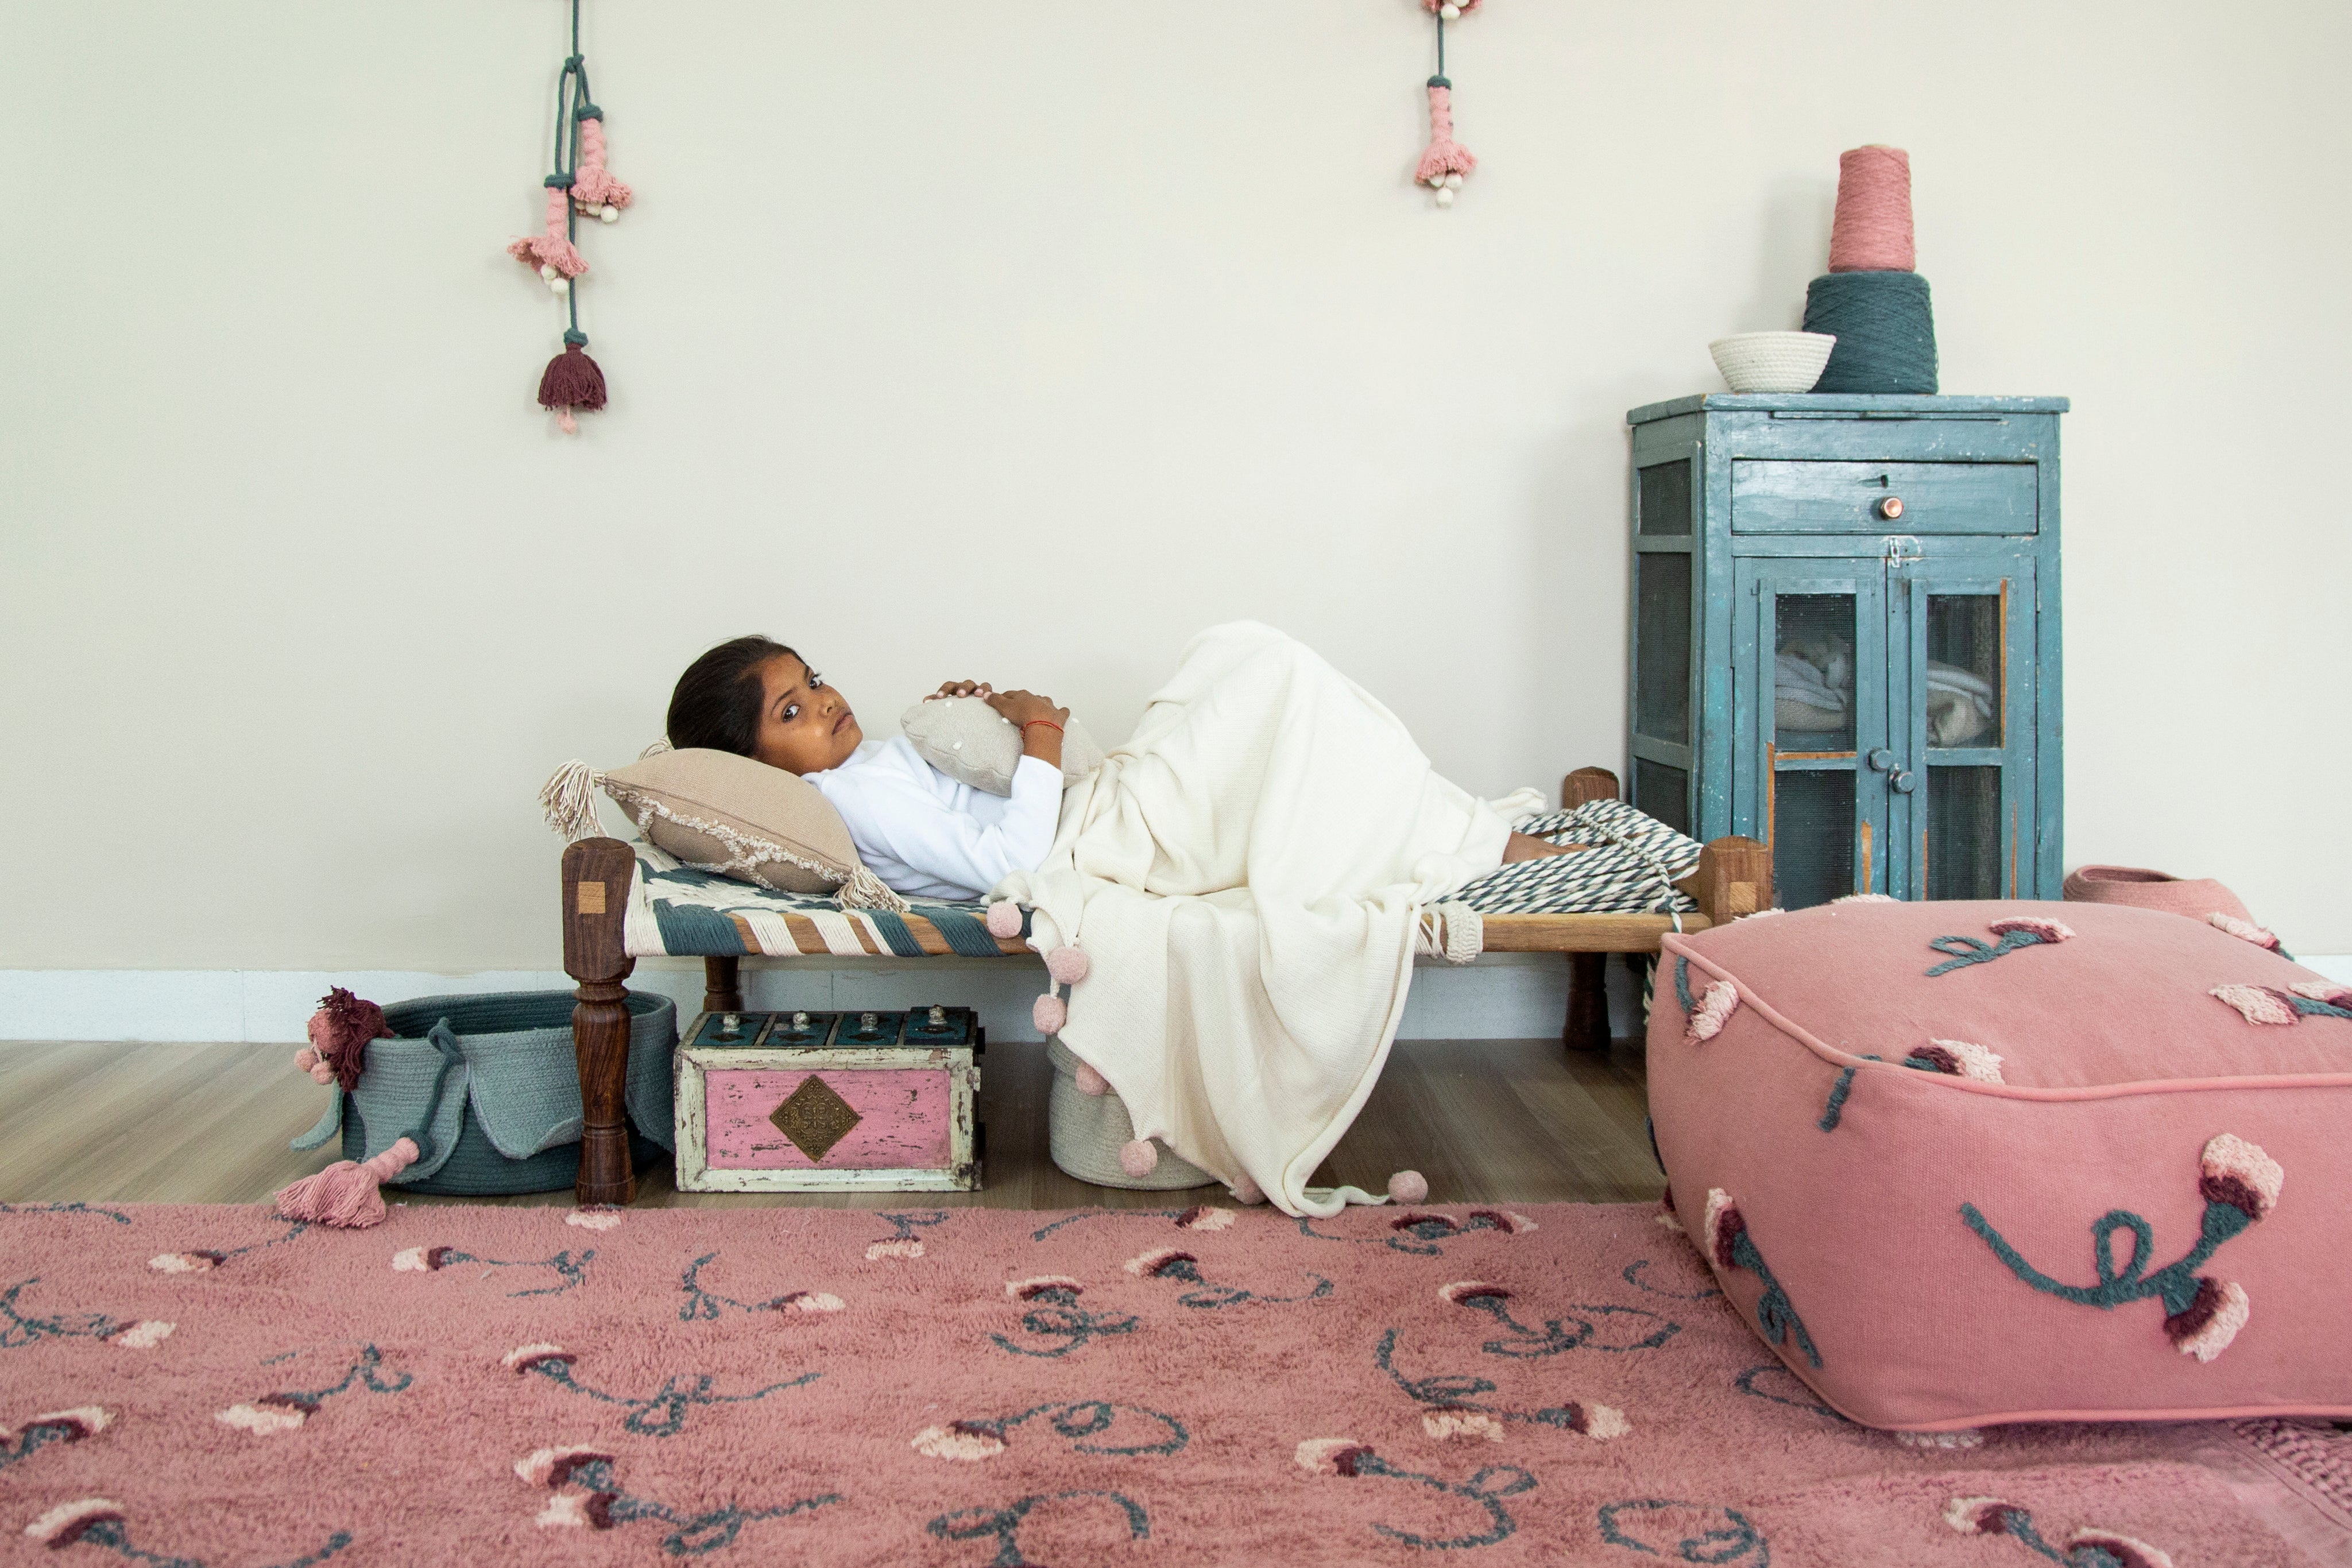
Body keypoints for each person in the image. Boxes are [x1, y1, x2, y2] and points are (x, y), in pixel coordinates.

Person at [664, 634, 1578, 903]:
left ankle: (1462, 828)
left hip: (1098, 804)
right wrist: (1041, 735)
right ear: (753, 762)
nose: (823, 701)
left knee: (1234, 655)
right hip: (1097, 841)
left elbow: (970, 797)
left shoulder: (868, 763)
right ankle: (1486, 843)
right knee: (1278, 678)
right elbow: (1008, 863)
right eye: (791, 712)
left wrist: (975, 728)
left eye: (813, 680)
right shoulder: (848, 799)